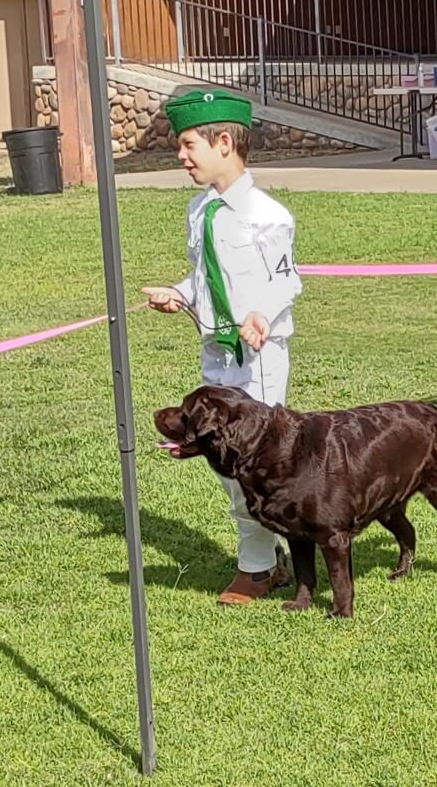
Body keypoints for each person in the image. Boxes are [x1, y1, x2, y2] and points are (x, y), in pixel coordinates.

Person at [142, 89, 303, 607]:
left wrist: (261, 314)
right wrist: (179, 294)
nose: (181, 156)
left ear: (224, 142)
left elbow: (287, 281)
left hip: (257, 358)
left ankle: (257, 568)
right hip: (215, 354)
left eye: (189, 145)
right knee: (222, 460)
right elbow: (203, 276)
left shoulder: (267, 214)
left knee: (249, 460)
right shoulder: (199, 211)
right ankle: (273, 547)